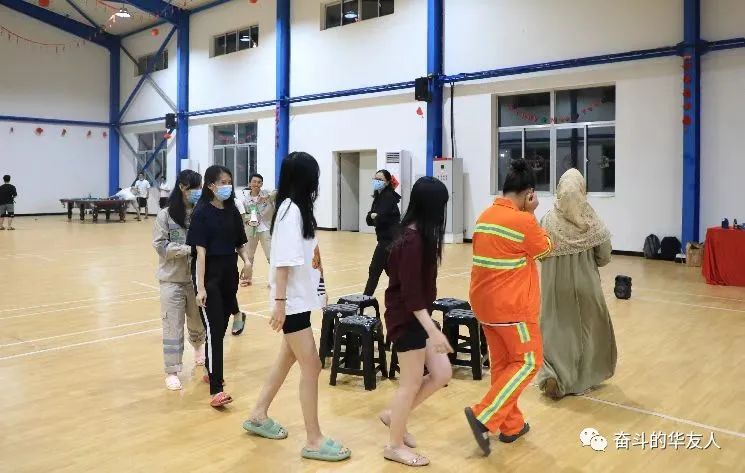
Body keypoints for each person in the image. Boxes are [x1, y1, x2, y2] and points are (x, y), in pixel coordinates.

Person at [243, 152, 351, 463]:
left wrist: (321, 291)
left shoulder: (297, 209)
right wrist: (279, 305)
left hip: (299, 301)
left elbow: (308, 257)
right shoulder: (290, 211)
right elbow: (282, 263)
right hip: (290, 304)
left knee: (287, 358)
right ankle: (314, 440)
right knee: (312, 366)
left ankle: (258, 414)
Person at [465, 159, 552, 456]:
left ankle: (511, 425)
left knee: (503, 367)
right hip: (512, 310)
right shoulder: (523, 221)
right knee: (529, 362)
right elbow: (545, 249)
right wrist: (532, 213)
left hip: (485, 308)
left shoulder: (485, 216)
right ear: (529, 194)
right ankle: (484, 415)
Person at [379, 177, 454, 467]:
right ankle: (394, 445)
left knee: (442, 373)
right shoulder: (411, 242)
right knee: (409, 384)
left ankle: (394, 416)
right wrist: (433, 330)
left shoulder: (417, 236)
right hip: (406, 319)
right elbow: (411, 296)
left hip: (416, 317)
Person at [536, 168, 616, 399]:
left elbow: (539, 253)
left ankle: (553, 375)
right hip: (586, 286)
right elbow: (604, 256)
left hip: (554, 287)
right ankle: (583, 381)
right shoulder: (591, 220)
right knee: (589, 333)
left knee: (555, 332)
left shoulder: (547, 220)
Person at [187, 165, 252, 407]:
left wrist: (247, 262)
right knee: (215, 330)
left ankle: (211, 370)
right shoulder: (201, 212)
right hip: (209, 278)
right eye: (223, 182)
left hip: (229, 276)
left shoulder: (232, 210)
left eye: (229, 181)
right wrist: (201, 287)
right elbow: (200, 254)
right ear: (211, 185)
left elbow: (240, 243)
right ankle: (217, 388)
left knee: (221, 328)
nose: (227, 186)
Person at [152, 170, 207, 391]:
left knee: (197, 319)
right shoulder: (165, 215)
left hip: (196, 280)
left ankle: (199, 349)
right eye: (195, 187)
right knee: (172, 325)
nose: (198, 191)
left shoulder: (201, 212)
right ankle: (172, 371)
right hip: (172, 280)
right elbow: (160, 245)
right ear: (183, 187)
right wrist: (188, 250)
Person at [364, 170, 401, 296]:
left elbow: (381, 218)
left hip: (389, 240)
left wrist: (375, 217)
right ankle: (405, 295)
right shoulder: (378, 197)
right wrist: (374, 216)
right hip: (385, 238)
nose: (377, 181)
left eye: (380, 180)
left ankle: (365, 299)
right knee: (391, 271)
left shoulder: (388, 197)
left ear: (387, 182)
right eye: (375, 179)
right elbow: (369, 219)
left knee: (374, 270)